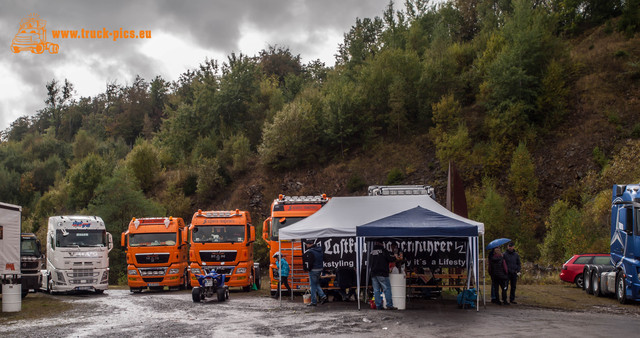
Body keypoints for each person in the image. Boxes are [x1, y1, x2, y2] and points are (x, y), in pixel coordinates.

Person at [369, 241, 397, 310]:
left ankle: (378, 306)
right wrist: (395, 257)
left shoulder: (371, 252)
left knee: (376, 290)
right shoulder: (384, 251)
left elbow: (369, 263)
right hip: (382, 273)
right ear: (381, 244)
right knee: (387, 289)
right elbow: (390, 259)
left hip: (373, 273)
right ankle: (389, 305)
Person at [305, 241, 327, 306]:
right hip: (320, 269)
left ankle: (314, 301)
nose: (306, 246)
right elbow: (325, 259)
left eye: (307, 244)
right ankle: (323, 296)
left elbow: (310, 262)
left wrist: (308, 269)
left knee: (313, 286)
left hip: (313, 270)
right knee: (316, 283)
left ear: (310, 244)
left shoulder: (311, 251)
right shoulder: (320, 250)